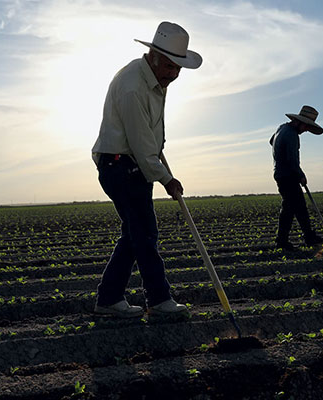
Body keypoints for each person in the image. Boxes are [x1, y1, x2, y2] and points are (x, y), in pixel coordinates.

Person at [90, 22, 202, 318]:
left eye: (178, 68)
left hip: (130, 164)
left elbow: (149, 138)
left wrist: (157, 150)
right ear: (152, 55)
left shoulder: (153, 79)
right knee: (145, 233)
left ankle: (109, 299)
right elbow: (141, 147)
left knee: (134, 233)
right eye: (169, 66)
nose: (173, 74)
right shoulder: (133, 87)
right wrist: (167, 179)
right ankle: (159, 299)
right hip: (121, 164)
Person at [270, 105, 323, 251]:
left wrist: (278, 152)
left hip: (280, 174)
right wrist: (301, 175)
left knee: (297, 207)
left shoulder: (281, 128)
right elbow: (292, 159)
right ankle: (283, 241)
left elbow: (271, 141)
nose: (306, 129)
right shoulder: (292, 135)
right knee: (291, 208)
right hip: (288, 175)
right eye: (306, 126)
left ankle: (307, 236)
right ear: (299, 122)